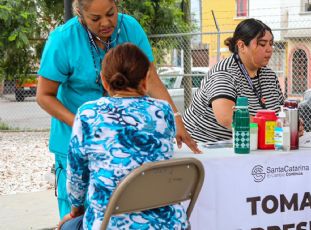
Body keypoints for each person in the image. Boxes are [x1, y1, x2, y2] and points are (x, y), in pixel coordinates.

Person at [36, 0, 200, 220]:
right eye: (95, 18)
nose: (106, 23)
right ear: (80, 14)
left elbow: (150, 78)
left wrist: (175, 116)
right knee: (79, 210)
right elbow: (44, 95)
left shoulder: (130, 27)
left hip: (114, 136)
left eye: (111, 13)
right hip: (73, 136)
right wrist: (84, 125)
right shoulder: (63, 40)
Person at [58, 43, 189, 229]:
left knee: (67, 226)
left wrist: (76, 209)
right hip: (167, 223)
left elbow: (77, 175)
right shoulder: (163, 110)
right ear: (146, 80)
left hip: (110, 223)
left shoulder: (88, 114)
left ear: (104, 81)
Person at [183, 18, 300, 142]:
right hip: (204, 146)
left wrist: (291, 124)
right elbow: (226, 117)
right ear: (242, 46)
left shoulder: (269, 76)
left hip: (249, 145)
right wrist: (272, 126)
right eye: (262, 44)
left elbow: (279, 113)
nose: (269, 49)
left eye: (271, 44)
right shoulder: (224, 73)